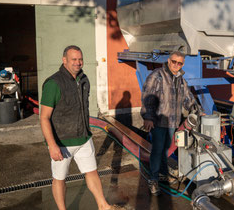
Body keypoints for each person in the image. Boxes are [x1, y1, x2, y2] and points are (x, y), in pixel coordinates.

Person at [40, 45, 121, 210]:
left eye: (80, 59)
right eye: (73, 59)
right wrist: (52, 145)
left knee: (92, 172)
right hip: (62, 141)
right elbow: (44, 117)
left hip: (84, 137)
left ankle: (103, 206)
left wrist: (86, 133)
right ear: (64, 61)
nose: (78, 63)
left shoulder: (84, 79)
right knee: (60, 178)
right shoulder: (54, 83)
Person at [141, 51, 199, 196]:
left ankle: (161, 173)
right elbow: (148, 97)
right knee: (157, 150)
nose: (176, 65)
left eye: (179, 63)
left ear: (182, 64)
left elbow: (188, 97)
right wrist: (148, 117)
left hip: (173, 121)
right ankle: (153, 179)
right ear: (168, 61)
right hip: (159, 121)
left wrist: (197, 110)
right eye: (174, 62)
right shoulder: (157, 75)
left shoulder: (180, 79)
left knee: (167, 149)